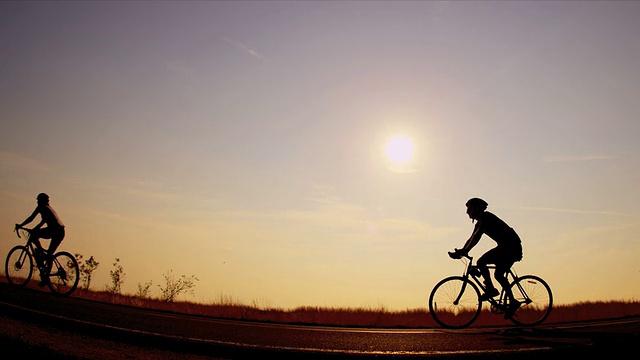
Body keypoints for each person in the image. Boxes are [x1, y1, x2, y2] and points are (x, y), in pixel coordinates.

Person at [449, 197, 523, 317]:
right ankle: (509, 299)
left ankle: (491, 290)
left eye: (469, 208)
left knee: (483, 263)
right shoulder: (481, 221)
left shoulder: (486, 218)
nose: (467, 212)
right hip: (506, 247)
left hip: (511, 248)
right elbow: (472, 237)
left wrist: (465, 251)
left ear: (477, 209)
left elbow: (477, 237)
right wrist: (462, 250)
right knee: (497, 274)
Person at [15, 192, 66, 287]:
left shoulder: (45, 208)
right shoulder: (46, 207)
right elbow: (31, 218)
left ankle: (45, 274)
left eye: (38, 200)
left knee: (44, 249)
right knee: (49, 254)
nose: (37, 202)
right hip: (59, 231)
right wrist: (22, 225)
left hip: (55, 231)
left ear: (42, 201)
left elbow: (43, 221)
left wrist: (33, 229)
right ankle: (45, 273)